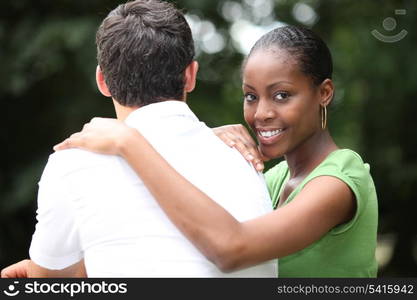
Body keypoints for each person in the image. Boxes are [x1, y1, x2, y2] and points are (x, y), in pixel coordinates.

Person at [50, 25, 379, 277]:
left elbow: (232, 247)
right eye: (251, 96)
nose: (261, 113)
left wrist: (129, 142)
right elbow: (178, 233)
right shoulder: (272, 179)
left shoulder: (340, 180)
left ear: (324, 93)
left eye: (281, 95)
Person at [0, 0, 277, 278]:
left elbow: (50, 281)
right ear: (190, 75)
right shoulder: (242, 154)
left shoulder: (74, 164)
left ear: (102, 81)